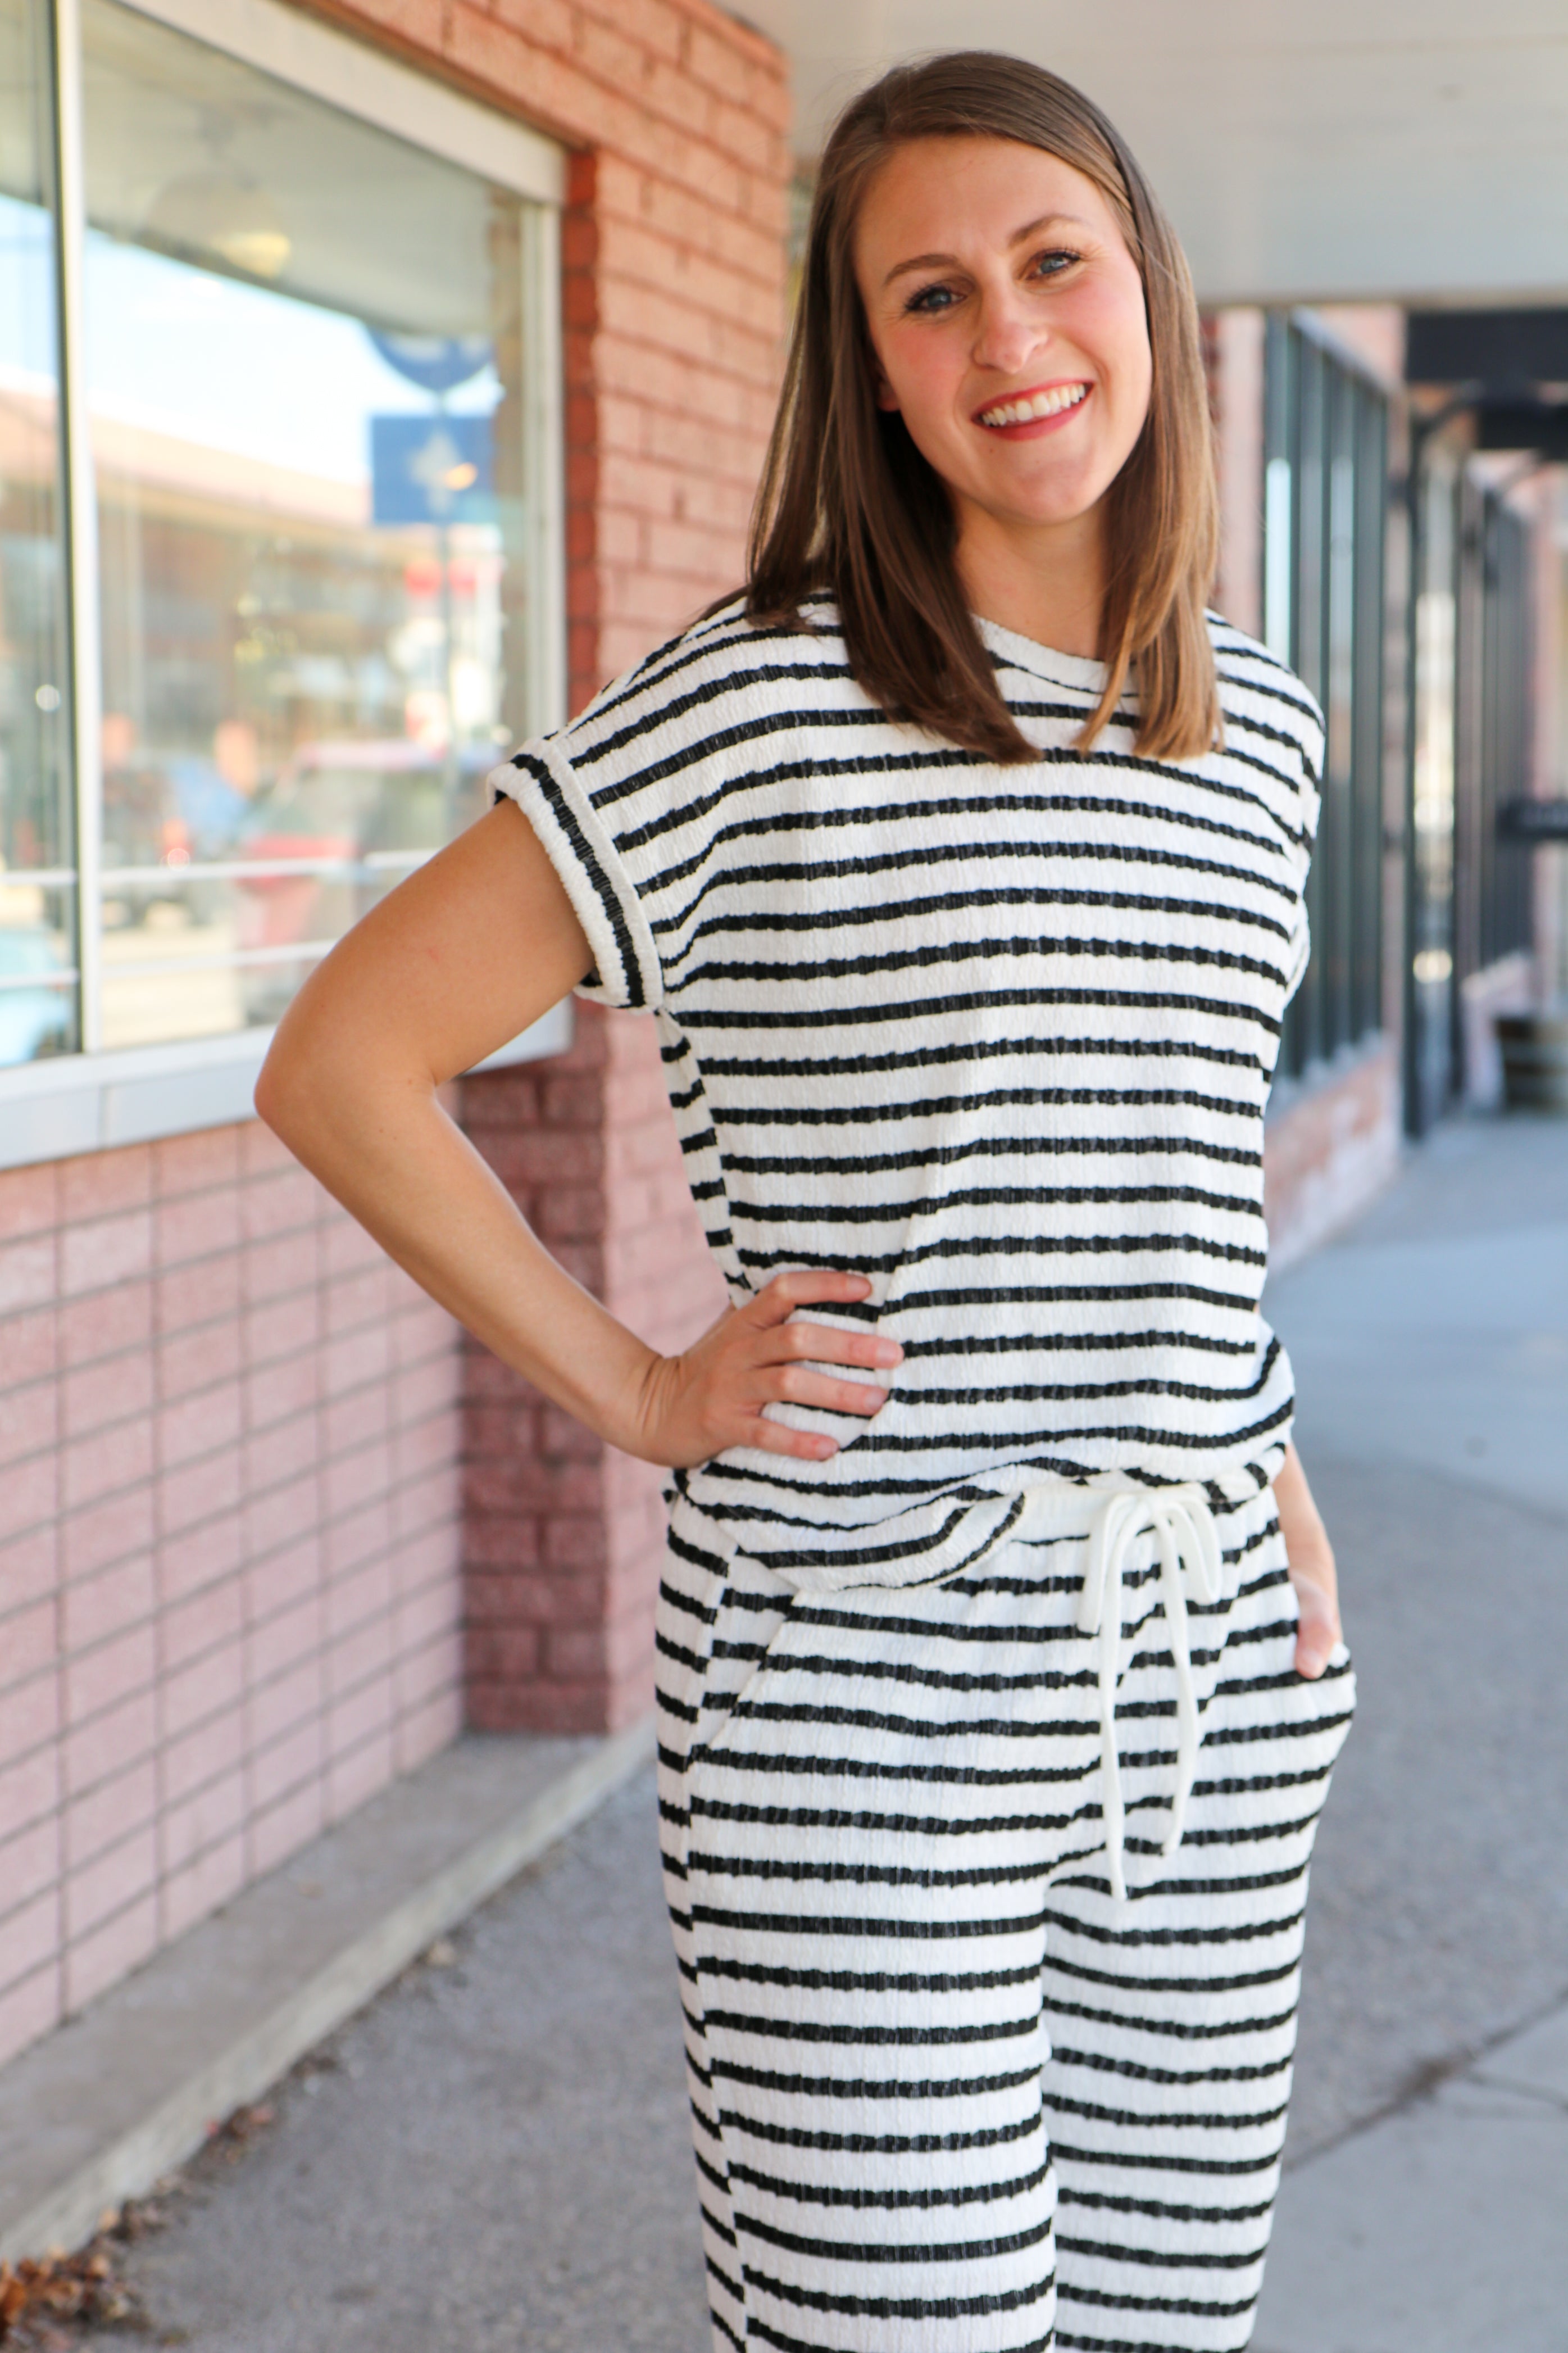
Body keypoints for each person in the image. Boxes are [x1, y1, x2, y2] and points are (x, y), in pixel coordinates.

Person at [257, 50, 1353, 2353]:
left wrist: (1264, 1456)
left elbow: (1153, 1149)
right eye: (929, 294)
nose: (1007, 337)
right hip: (859, 1685)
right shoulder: (760, 705)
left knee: (1168, 2333)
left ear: (1141, 283)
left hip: (1204, 1674)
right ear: (865, 363)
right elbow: (345, 1062)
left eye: (1050, 262)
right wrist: (640, 1389)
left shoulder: (1253, 722)